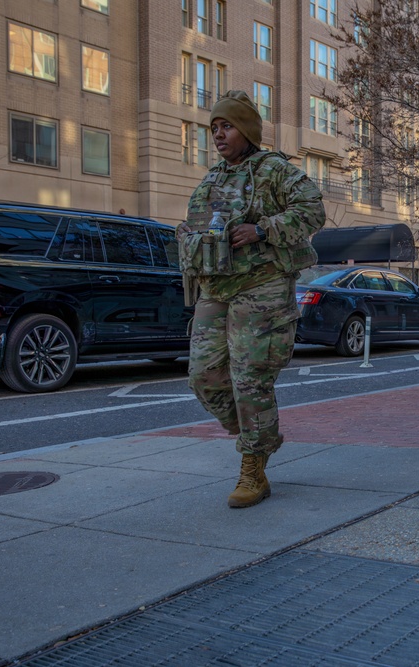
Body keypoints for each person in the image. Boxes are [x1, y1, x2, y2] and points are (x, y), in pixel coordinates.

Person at [177, 91, 325, 508]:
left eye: (227, 126)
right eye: (215, 128)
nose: (219, 135)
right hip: (216, 286)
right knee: (203, 376)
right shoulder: (211, 179)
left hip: (261, 286)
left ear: (247, 130)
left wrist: (262, 230)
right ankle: (254, 434)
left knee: (250, 378)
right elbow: (196, 226)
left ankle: (253, 467)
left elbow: (313, 210)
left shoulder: (275, 170)